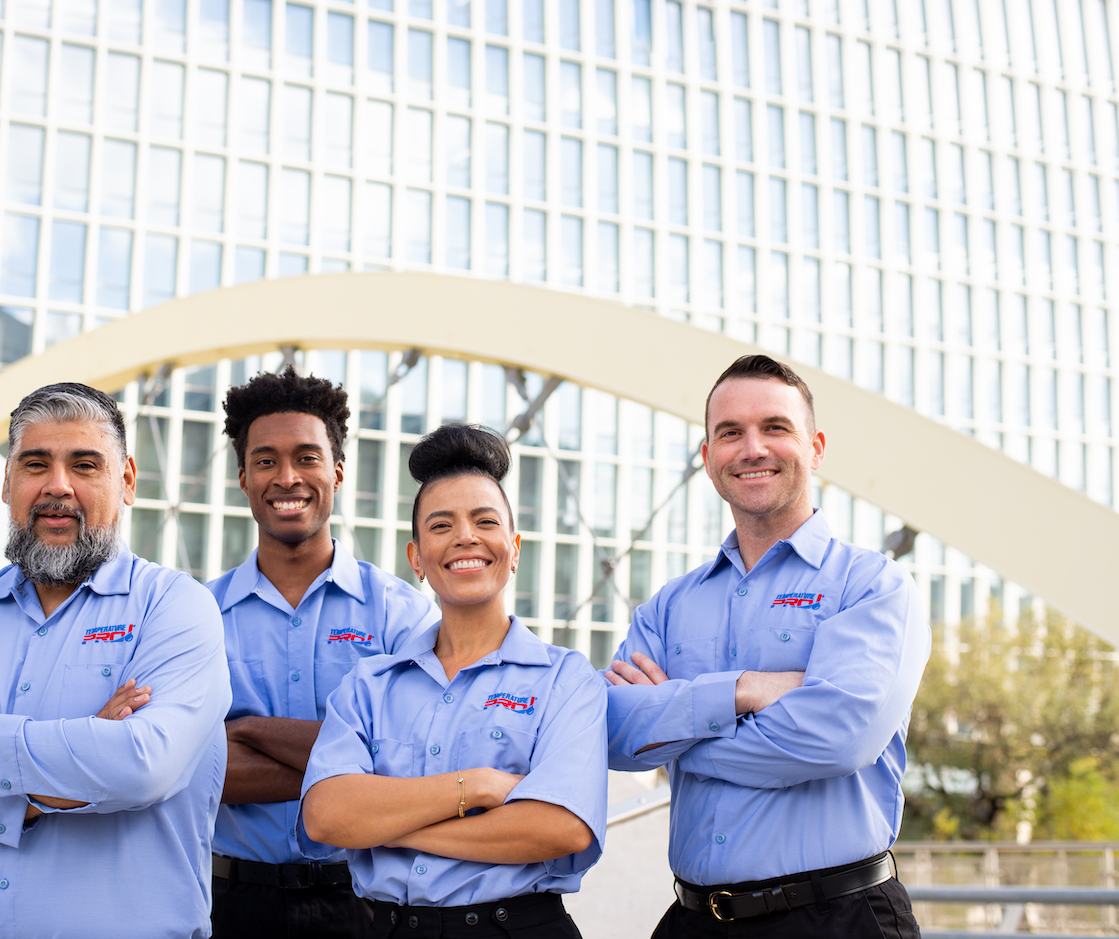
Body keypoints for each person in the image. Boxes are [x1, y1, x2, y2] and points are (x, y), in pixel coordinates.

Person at [0, 383, 230, 939]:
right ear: (8, 482)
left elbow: (141, 765)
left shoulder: (175, 608)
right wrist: (46, 789)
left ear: (125, 481)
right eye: (36, 464)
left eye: (84, 465)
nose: (58, 486)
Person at [605, 355, 930, 938]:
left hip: (840, 918)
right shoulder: (668, 606)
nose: (752, 448)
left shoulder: (872, 587)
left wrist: (682, 733)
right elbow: (616, 733)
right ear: (708, 459)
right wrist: (744, 691)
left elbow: (837, 739)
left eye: (775, 428)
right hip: (692, 921)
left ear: (816, 446)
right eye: (730, 433)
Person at [301, 424, 607, 939]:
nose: (465, 536)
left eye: (484, 521)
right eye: (441, 525)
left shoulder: (566, 679)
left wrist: (393, 827)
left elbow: (562, 827)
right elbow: (327, 817)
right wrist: (480, 787)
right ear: (417, 558)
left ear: (513, 549)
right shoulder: (369, 685)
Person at [206, 367, 438, 939]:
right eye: (266, 460)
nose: (287, 477)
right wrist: (351, 775)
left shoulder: (400, 614)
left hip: (362, 902)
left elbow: (413, 762)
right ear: (243, 477)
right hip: (226, 902)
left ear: (336, 471)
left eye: (306, 458)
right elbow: (188, 765)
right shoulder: (196, 616)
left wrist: (249, 732)